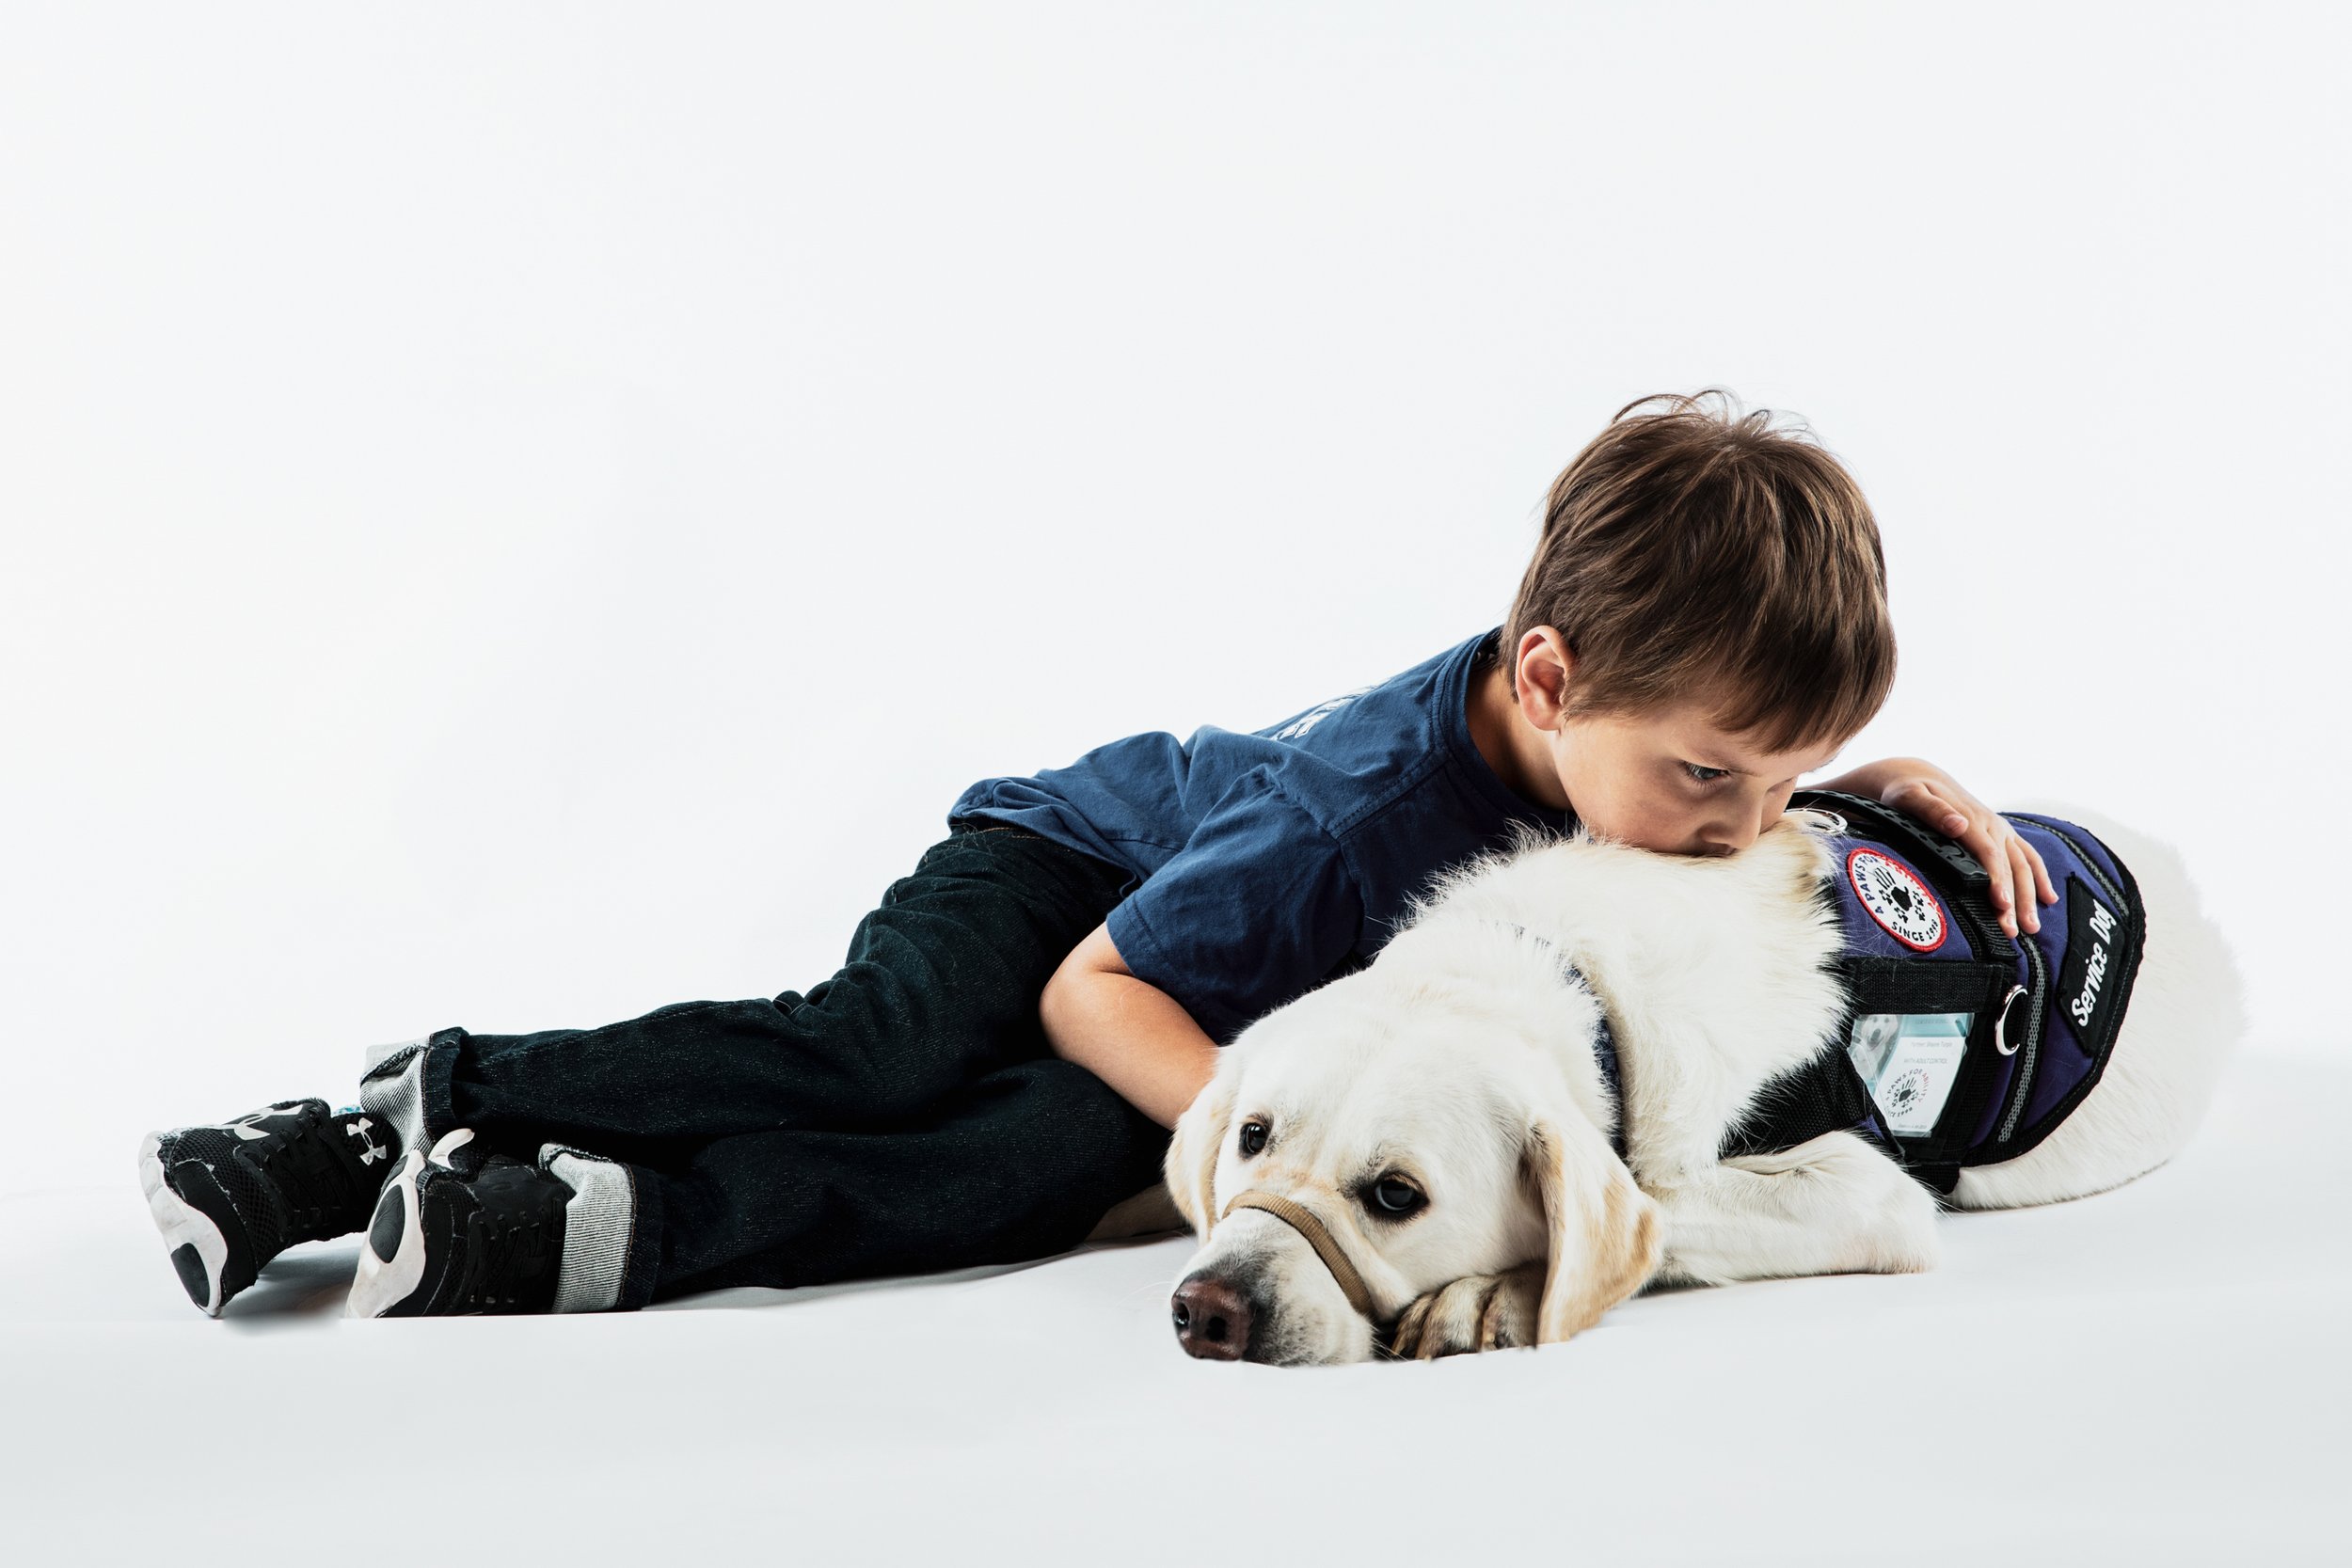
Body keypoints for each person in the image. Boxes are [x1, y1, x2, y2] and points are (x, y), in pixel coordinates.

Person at [136, 388, 2058, 1319]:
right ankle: (375, 1119)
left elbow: (1710, 808)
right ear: (1547, 681)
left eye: (1769, 778)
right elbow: (1092, 987)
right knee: (881, 1057)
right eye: (1712, 778)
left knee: (1016, 1172)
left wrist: (1872, 790)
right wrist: (1255, 1129)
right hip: (1066, 889)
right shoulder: (1360, 817)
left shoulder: (1605, 766)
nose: (1734, 827)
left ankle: (538, 1227)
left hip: (1189, 981)